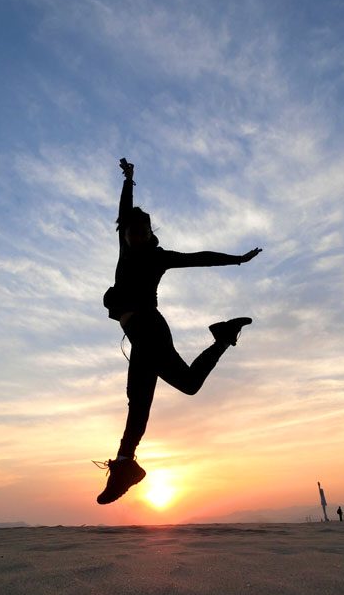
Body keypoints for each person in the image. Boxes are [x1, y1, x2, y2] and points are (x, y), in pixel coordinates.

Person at [96, 158, 262, 504]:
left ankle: (126, 464)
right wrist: (129, 180)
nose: (136, 235)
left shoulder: (158, 257)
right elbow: (124, 212)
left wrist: (237, 259)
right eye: (131, 231)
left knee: (143, 399)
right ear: (125, 235)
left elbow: (199, 257)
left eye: (143, 231)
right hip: (141, 333)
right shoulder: (126, 252)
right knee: (173, 390)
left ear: (150, 232)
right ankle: (223, 336)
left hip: (149, 329)